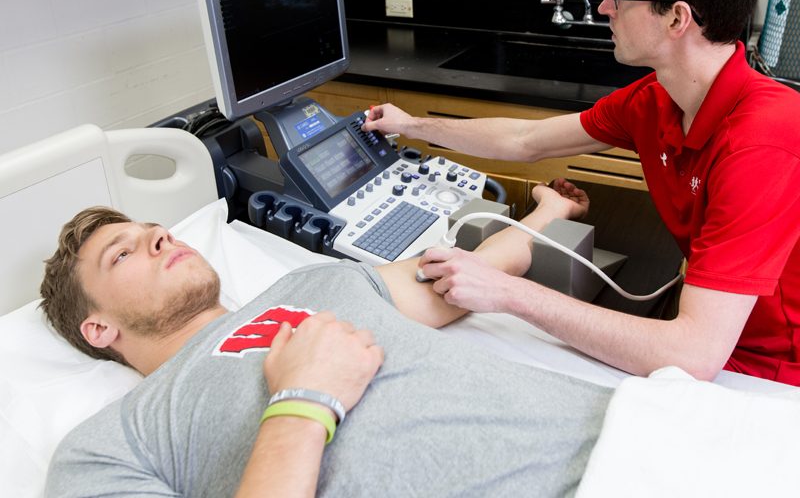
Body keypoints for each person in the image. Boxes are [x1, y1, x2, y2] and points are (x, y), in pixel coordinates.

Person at [363, 0, 800, 386]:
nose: (606, 6)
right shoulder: (656, 100)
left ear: (677, 18)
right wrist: (412, 125)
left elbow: (694, 354)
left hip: (770, 366)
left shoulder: (764, 142)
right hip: (715, 333)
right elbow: (525, 139)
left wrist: (506, 292)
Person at [42, 183, 610, 497]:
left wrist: (550, 210)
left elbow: (474, 272)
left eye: (153, 231)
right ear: (98, 328)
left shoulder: (316, 280)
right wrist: (302, 404)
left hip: (634, 429)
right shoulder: (109, 445)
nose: (160, 237)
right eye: (122, 253)